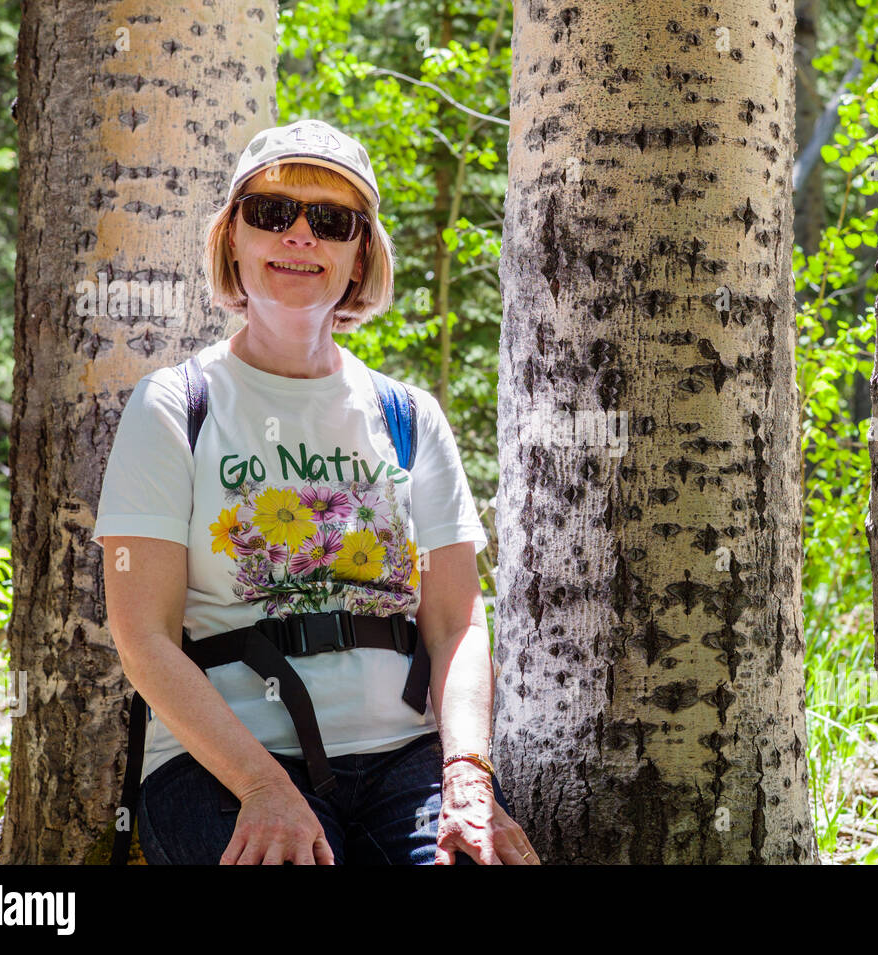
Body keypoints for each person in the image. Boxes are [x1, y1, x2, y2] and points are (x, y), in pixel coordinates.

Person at [92, 118, 538, 865]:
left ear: (361, 254)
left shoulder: (409, 416)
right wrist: (265, 788)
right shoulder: (175, 405)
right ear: (233, 236)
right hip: (223, 768)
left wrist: (466, 774)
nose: (300, 235)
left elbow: (457, 621)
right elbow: (143, 639)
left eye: (330, 221)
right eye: (273, 212)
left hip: (406, 762)